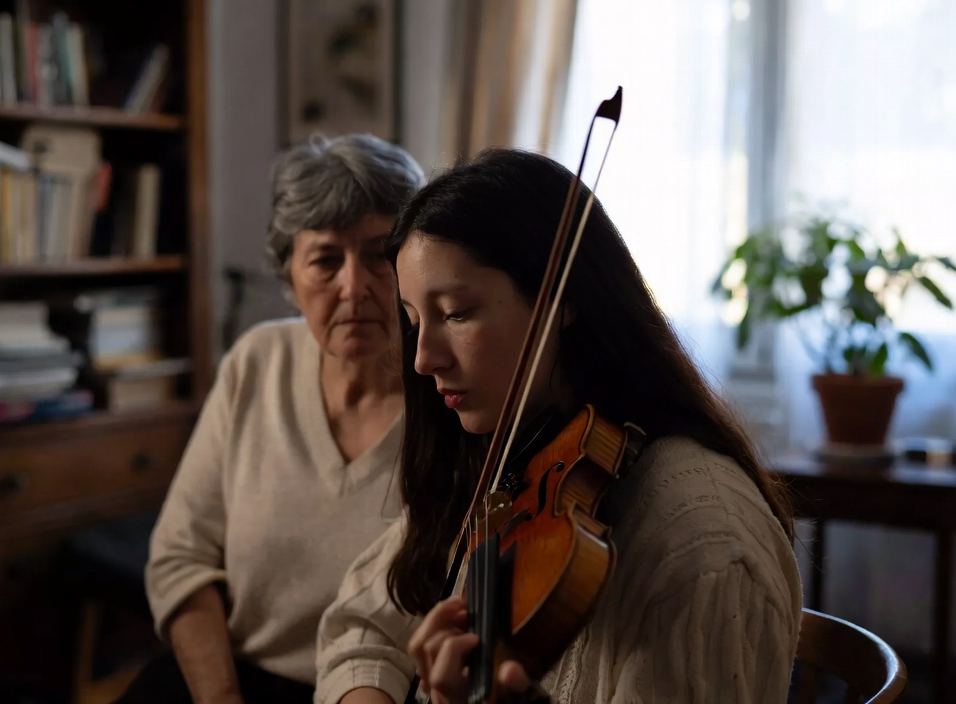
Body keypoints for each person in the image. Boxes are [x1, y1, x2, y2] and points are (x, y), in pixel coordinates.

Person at [314, 148, 803, 704]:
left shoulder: (701, 549)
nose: (423, 358)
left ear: (562, 300)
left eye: (455, 312)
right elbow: (362, 622)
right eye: (413, 320)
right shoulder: (521, 460)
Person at [116, 133, 425, 704]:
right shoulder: (257, 361)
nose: (353, 287)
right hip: (230, 680)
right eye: (326, 260)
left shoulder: (452, 391)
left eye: (381, 255)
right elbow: (181, 556)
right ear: (289, 277)